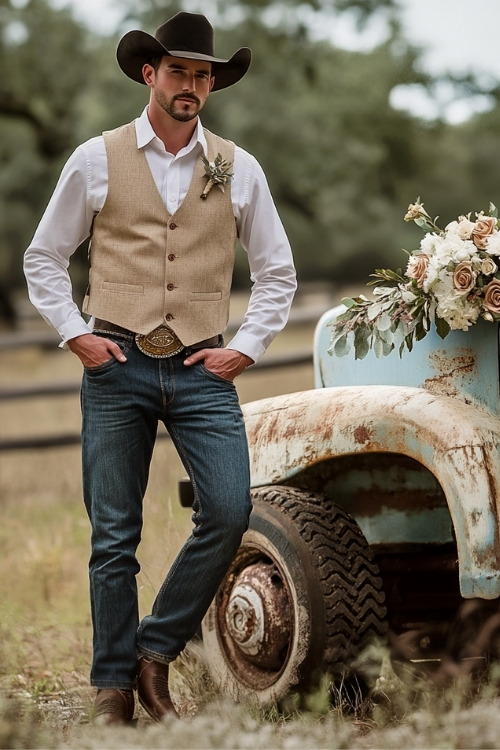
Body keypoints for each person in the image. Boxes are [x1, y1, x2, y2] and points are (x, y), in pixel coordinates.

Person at [24, 11, 296, 725]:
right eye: (179, 71)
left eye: (203, 75)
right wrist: (76, 335)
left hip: (204, 370)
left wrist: (246, 347)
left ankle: (155, 649)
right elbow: (43, 258)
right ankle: (114, 688)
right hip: (115, 362)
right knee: (114, 535)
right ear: (150, 74)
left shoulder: (239, 167)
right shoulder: (95, 158)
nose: (192, 86)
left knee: (229, 509)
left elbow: (277, 272)